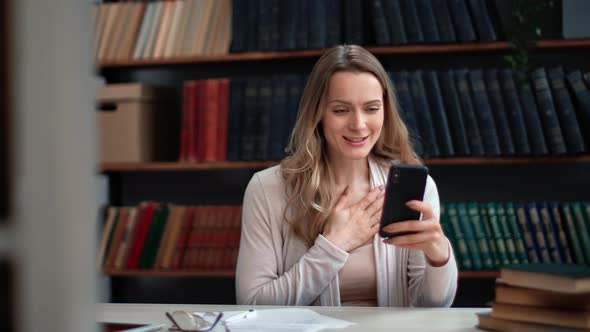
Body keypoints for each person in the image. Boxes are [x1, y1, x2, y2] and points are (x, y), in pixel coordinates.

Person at [235, 45, 457, 307]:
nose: (359, 124)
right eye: (341, 110)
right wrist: (335, 244)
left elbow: (431, 308)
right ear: (318, 114)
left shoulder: (417, 188)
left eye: (372, 108)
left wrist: (439, 257)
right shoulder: (267, 189)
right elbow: (252, 303)